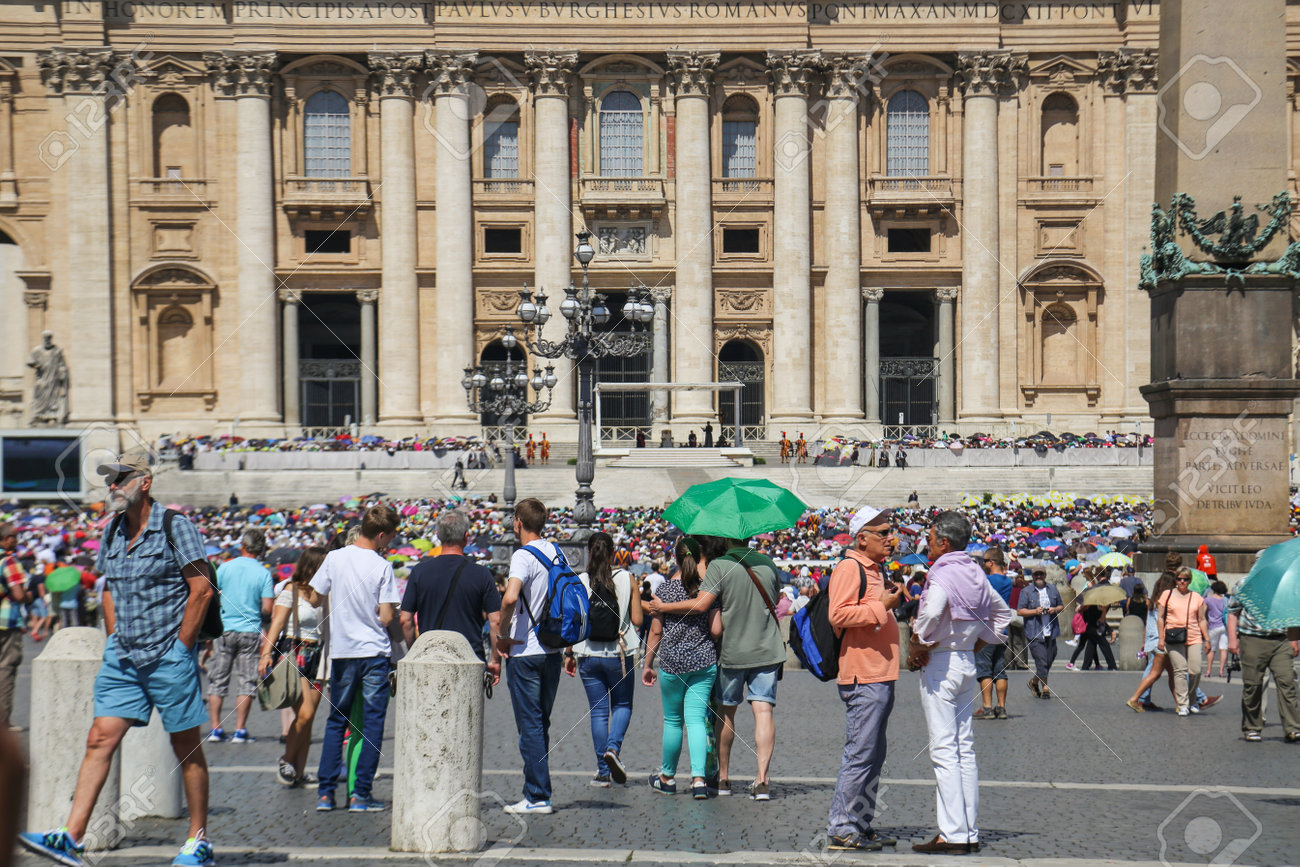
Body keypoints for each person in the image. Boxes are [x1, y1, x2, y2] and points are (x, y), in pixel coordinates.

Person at [19, 452, 216, 867]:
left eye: (121, 479)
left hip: (167, 655)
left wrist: (181, 648)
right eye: (109, 480)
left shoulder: (175, 527)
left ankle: (198, 839)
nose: (112, 486)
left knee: (185, 747)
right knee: (99, 738)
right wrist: (113, 639)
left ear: (144, 482)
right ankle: (71, 837)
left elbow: (201, 590)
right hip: (123, 657)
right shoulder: (111, 530)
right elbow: (107, 588)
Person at [647, 534, 785, 800]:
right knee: (763, 711)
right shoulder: (768, 563)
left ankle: (721, 779)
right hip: (765, 648)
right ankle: (762, 780)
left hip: (731, 651)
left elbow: (702, 606)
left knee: (723, 713)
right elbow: (775, 600)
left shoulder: (720, 566)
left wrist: (664, 608)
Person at [908, 511, 1011, 855]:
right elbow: (1002, 617)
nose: (927, 542)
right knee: (964, 749)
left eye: (931, 536)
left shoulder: (943, 574)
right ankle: (969, 831)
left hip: (941, 663)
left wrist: (918, 641)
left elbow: (934, 611)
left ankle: (951, 834)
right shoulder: (975, 573)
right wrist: (976, 643)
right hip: (966, 661)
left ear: (943, 542)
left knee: (943, 751)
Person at [310, 505, 404, 813]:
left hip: (343, 651)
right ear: (380, 536)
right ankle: (360, 794)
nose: (389, 544)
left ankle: (326, 794)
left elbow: (313, 597)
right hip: (374, 652)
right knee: (372, 725)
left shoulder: (335, 558)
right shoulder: (381, 566)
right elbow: (387, 615)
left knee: (337, 721)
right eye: (389, 538)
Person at [825, 506, 901, 852]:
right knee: (860, 753)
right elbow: (837, 614)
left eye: (890, 531)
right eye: (883, 532)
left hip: (879, 671)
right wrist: (880, 606)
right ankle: (842, 826)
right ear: (862, 538)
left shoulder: (875, 569)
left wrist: (888, 603)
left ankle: (859, 822)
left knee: (873, 754)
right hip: (862, 673)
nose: (890, 538)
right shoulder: (849, 566)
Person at [495, 498, 565, 814]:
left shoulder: (523, 555)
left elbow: (510, 598)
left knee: (530, 725)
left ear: (518, 522)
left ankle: (537, 795)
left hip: (525, 650)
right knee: (540, 722)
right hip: (552, 649)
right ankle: (536, 791)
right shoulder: (556, 551)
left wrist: (503, 633)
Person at [642, 536, 721, 800]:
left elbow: (655, 632)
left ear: (674, 558)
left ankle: (667, 777)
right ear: (700, 557)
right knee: (696, 720)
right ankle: (699, 779)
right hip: (703, 661)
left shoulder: (663, 591)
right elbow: (715, 629)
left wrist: (647, 664)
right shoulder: (707, 589)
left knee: (673, 722)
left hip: (673, 663)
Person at [567, 532, 642, 786]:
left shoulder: (579, 581)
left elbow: (574, 622)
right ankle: (613, 749)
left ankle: (602, 772)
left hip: (587, 653)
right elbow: (639, 620)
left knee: (598, 713)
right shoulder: (626, 578)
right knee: (622, 705)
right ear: (612, 553)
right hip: (620, 653)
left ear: (589, 552)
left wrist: (569, 653)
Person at [257, 546, 327, 787]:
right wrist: (266, 652)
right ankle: (286, 760)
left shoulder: (326, 592)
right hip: (296, 652)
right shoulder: (291, 589)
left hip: (319, 656)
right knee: (305, 713)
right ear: (314, 566)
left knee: (307, 719)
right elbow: (277, 622)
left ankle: (300, 771)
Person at [401, 508, 501, 675]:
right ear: (466, 537)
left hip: (430, 658)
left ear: (439, 536)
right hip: (470, 658)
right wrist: (495, 660)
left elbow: (405, 620)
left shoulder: (420, 572)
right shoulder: (481, 574)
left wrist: (415, 652)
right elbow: (495, 622)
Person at [206, 528, 274, 744]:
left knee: (218, 680)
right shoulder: (263, 573)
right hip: (250, 630)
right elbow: (267, 608)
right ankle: (240, 729)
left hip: (224, 628)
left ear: (243, 545)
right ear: (261, 549)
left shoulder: (225, 567)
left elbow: (212, 595)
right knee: (246, 682)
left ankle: (216, 728)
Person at [1227, 583, 1300, 742]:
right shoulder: (1245, 584)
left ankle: (1293, 728)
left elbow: (1293, 612)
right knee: (1253, 685)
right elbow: (1233, 612)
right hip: (1253, 638)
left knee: (1287, 681)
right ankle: (1252, 727)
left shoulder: (1285, 583)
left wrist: (1294, 640)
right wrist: (1232, 639)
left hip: (1281, 639)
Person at [1157, 567, 1210, 716]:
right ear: (1176, 579)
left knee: (1195, 670)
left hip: (1193, 636)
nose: (1182, 581)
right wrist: (1161, 638)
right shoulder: (1166, 595)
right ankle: (1182, 704)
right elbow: (1160, 617)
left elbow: (1201, 619)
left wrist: (1207, 639)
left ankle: (1192, 699)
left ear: (1189, 580)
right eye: (1179, 578)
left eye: (1185, 579)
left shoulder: (1196, 597)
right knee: (1179, 670)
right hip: (1173, 636)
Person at [974, 548, 1012, 720]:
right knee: (1000, 670)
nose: (983, 564)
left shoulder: (987, 580)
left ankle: (987, 707)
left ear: (991, 562)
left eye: (984, 561)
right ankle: (1001, 707)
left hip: (986, 629)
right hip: (1002, 630)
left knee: (985, 670)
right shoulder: (1008, 581)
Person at [1016, 568, 1063, 700]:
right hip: (1035, 632)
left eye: (1041, 574)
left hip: (1051, 631)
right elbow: (1020, 611)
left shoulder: (1052, 589)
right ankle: (1045, 688)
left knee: (1049, 659)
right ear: (1032, 576)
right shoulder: (1026, 591)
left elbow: (1061, 606)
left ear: (1045, 575)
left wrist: (1054, 609)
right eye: (1036, 574)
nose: (1038, 576)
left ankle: (1034, 682)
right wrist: (1035, 611)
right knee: (1041, 661)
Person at [0, 524, 29, 733]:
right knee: (6, 669)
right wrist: (29, 596)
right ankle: (3, 721)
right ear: (7, 539)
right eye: (15, 537)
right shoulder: (8, 561)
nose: (16, 541)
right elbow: (19, 595)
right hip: (6, 621)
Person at [1203, 580, 1229, 678]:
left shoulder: (1208, 600)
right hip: (1224, 626)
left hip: (1213, 626)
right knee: (1223, 649)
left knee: (1211, 649)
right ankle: (1221, 671)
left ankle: (1208, 671)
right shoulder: (1226, 600)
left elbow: (1203, 613)